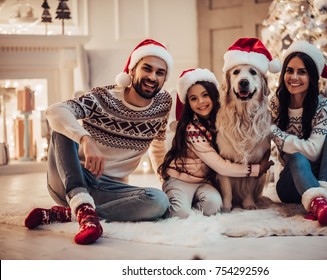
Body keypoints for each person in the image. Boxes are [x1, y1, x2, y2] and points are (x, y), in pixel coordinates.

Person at [24, 38, 174, 244]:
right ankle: (80, 203)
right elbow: (54, 110)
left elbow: (158, 146)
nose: (152, 77)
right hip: (70, 180)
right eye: (146, 69)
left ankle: (75, 213)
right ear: (132, 71)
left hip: (110, 190)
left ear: (165, 78)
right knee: (62, 130)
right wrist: (85, 138)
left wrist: (167, 183)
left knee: (158, 201)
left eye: (160, 72)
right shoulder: (102, 97)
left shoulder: (163, 105)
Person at [158, 68, 274, 218]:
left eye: (205, 95)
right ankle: (177, 202)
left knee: (213, 206)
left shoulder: (220, 121)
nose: (201, 102)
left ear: (214, 96)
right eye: (193, 99)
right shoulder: (191, 130)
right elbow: (220, 165)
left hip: (204, 182)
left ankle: (190, 203)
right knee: (180, 212)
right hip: (180, 179)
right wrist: (256, 169)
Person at [269, 40, 327, 226]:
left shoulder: (324, 105)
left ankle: (320, 201)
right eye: (289, 70)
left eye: (302, 72)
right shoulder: (275, 104)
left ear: (312, 76)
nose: (294, 76)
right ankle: (319, 204)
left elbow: (314, 151)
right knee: (297, 158)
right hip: (293, 185)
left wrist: (274, 131)